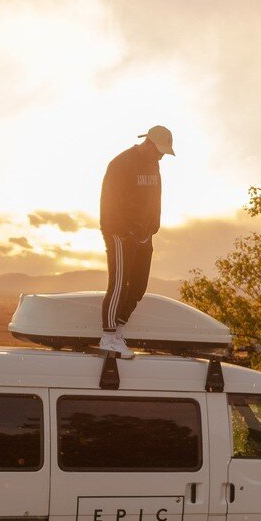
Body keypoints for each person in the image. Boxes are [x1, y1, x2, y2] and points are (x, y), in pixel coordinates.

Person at [98, 125, 175, 357]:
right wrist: (119, 231)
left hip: (144, 233)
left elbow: (156, 197)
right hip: (120, 234)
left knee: (139, 286)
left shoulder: (154, 164)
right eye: (159, 150)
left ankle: (119, 330)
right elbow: (108, 201)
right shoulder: (121, 163)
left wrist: (154, 225)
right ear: (148, 142)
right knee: (119, 284)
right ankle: (108, 336)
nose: (162, 155)